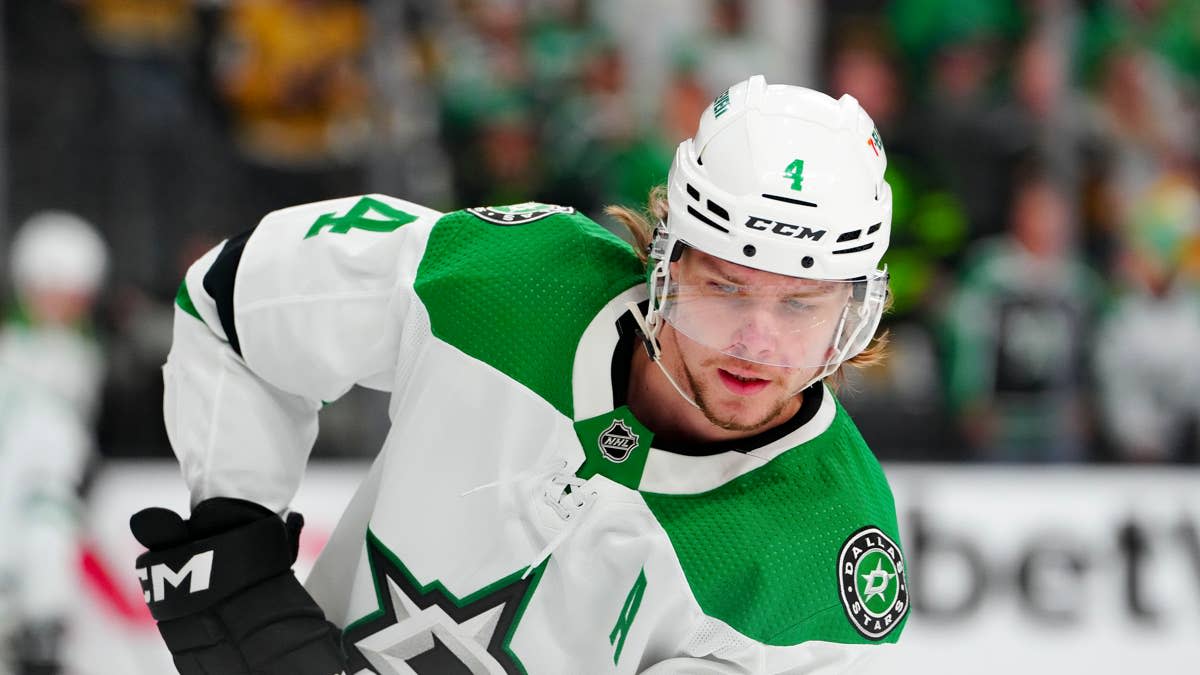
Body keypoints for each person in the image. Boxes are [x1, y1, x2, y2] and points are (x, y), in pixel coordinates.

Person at [131, 75, 907, 674]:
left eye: (802, 307)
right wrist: (233, 527)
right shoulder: (510, 282)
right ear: (666, 263)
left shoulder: (829, 557)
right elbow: (236, 299)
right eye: (724, 288)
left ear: (855, 316)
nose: (757, 344)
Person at [0, 211, 108, 675]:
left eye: (70, 294)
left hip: (53, 503)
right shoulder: (12, 349)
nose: (58, 303)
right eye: (48, 289)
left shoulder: (94, 356)